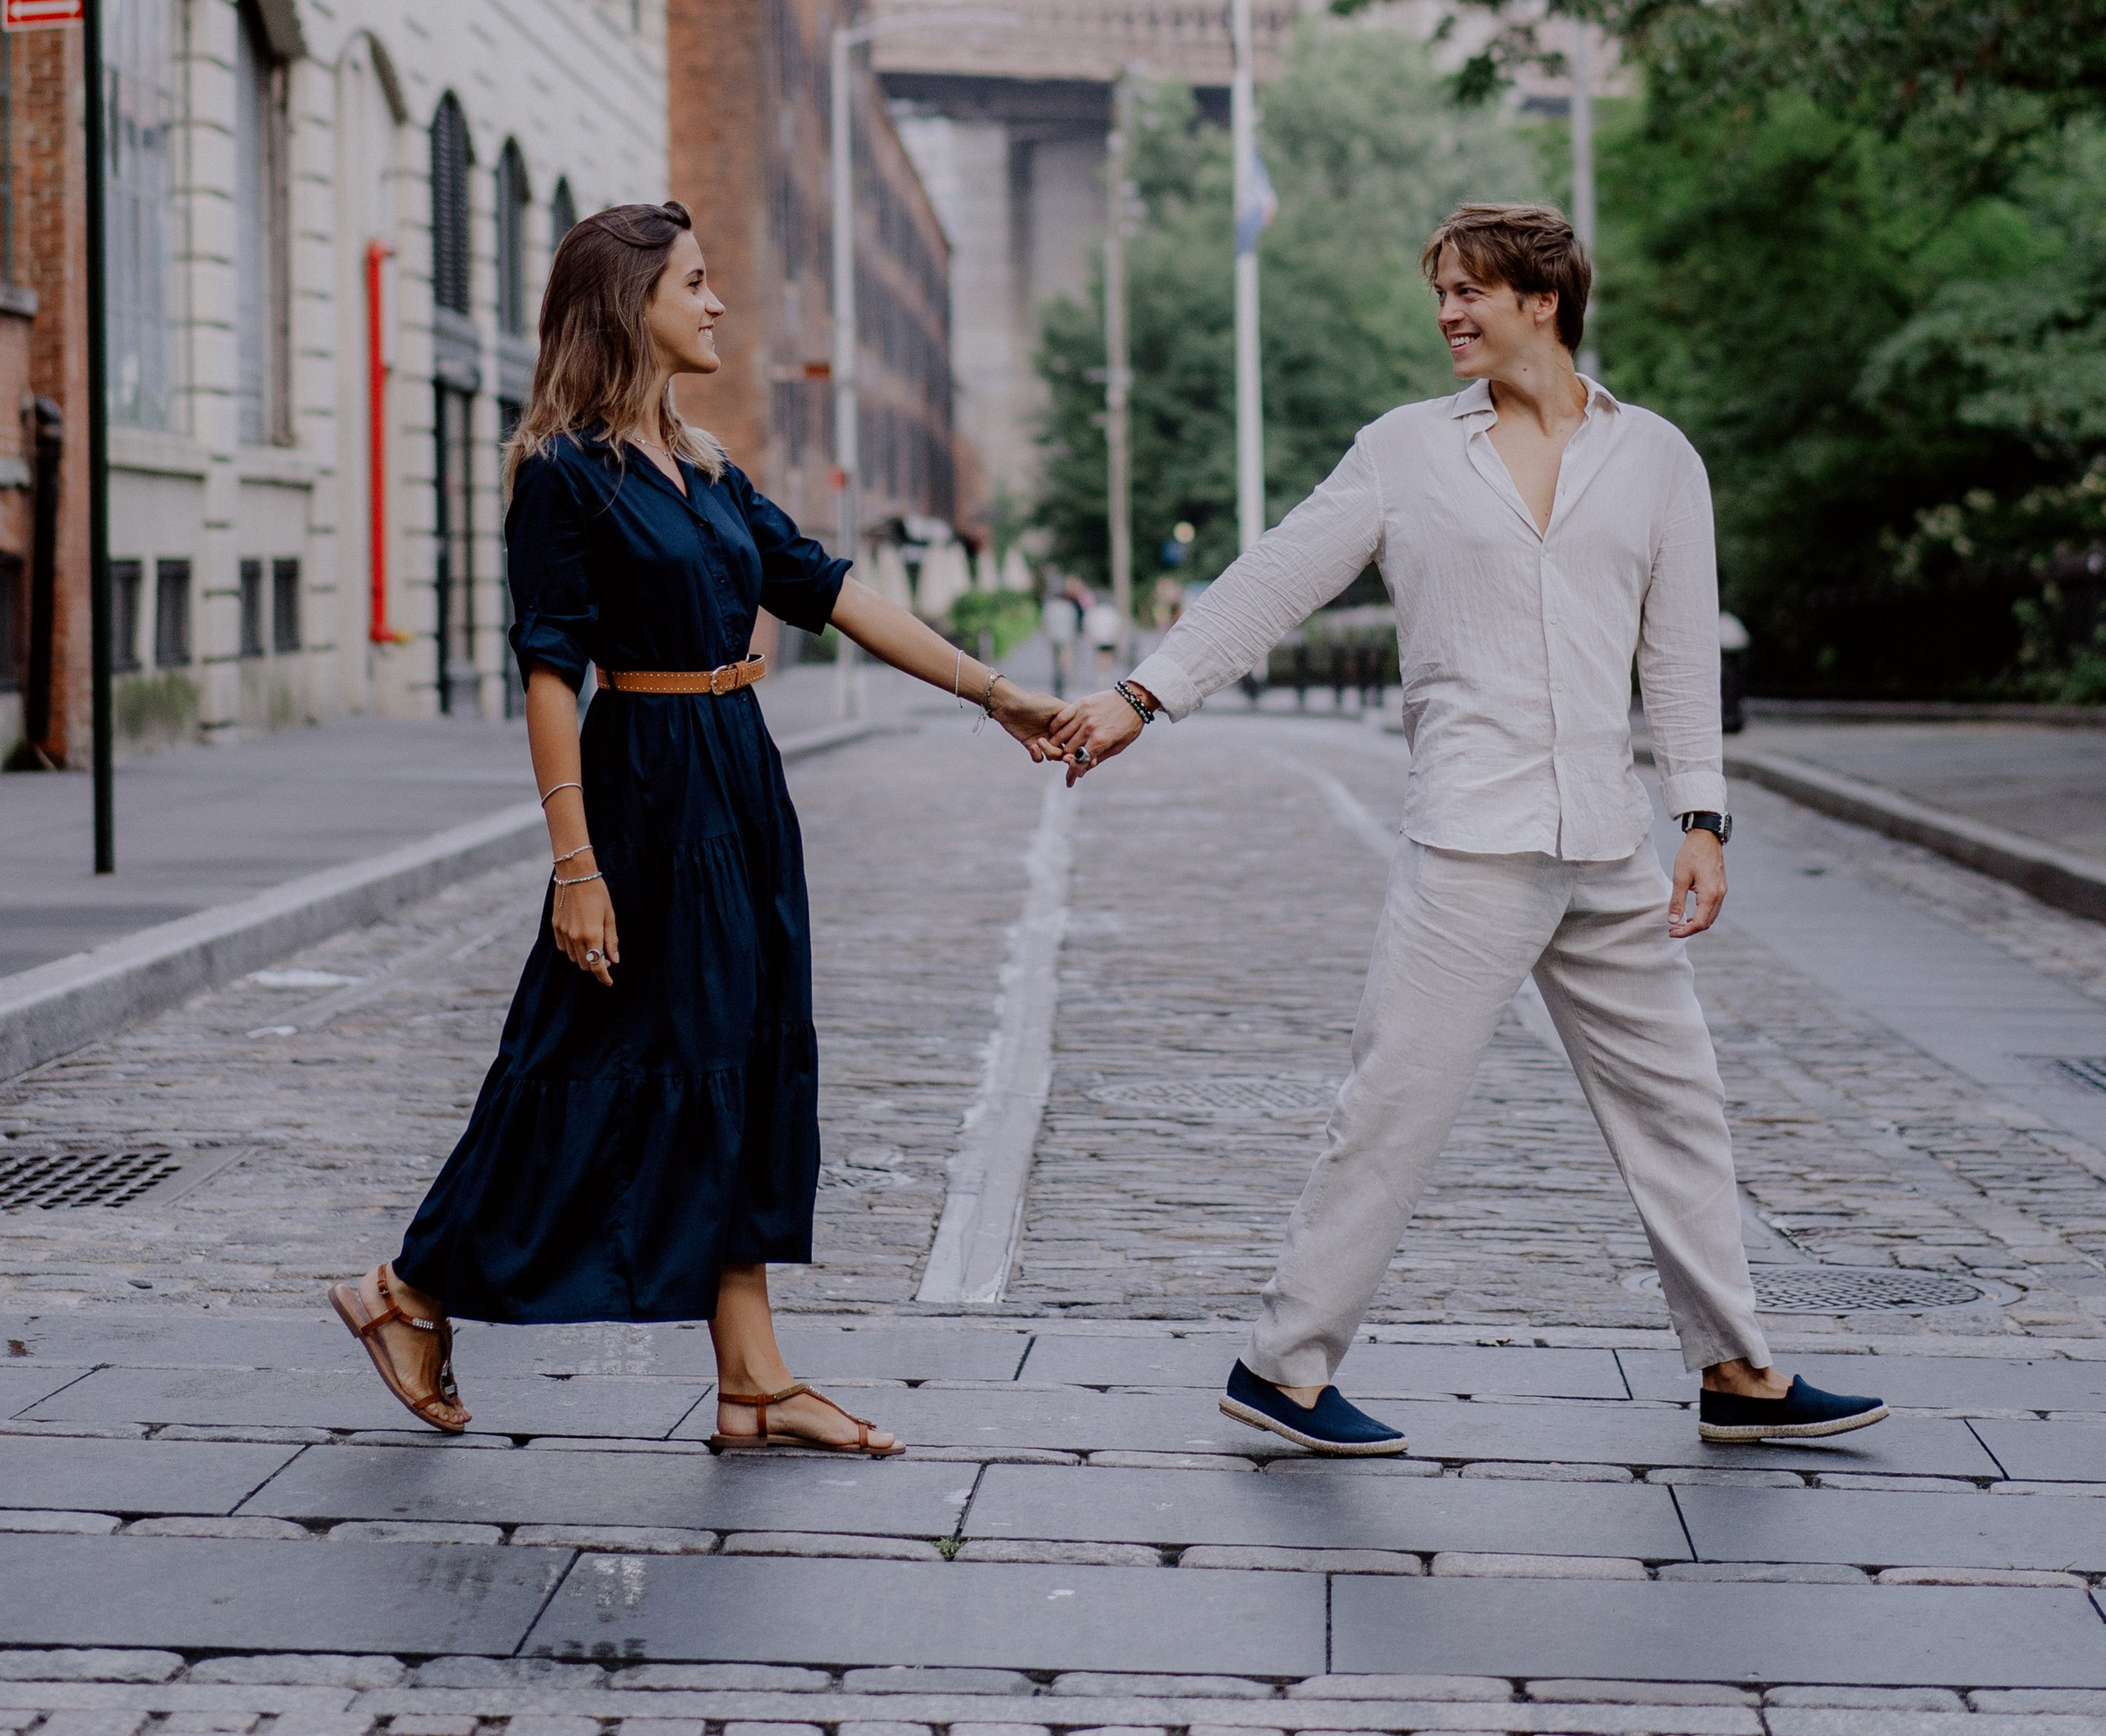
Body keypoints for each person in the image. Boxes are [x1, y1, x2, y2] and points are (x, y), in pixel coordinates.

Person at [1050, 201, 1889, 1460]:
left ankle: (1736, 1369)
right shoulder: (1405, 452)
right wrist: (1141, 695)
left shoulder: (1657, 458)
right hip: (1473, 839)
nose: (1446, 313)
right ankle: (1282, 1367)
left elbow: (1676, 654)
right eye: (1439, 292)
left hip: (1606, 841)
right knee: (1395, 1104)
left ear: (1542, 299)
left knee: (1680, 1107)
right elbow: (1276, 578)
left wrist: (1702, 818)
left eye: (1468, 292)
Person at [332, 200, 1061, 1456]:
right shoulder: (564, 478)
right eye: (697, 282)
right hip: (646, 790)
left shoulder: (707, 467)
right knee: (587, 1064)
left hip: (740, 779)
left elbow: (832, 591)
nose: (718, 303)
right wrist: (578, 864)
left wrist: (995, 695)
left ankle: (756, 1381)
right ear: (632, 306)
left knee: (747, 1055)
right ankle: (407, 1292)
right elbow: (550, 673)